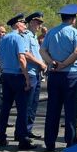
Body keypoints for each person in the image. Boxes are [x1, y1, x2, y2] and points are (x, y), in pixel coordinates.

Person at [40, 4, 77, 152]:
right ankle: (70, 142)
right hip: (70, 74)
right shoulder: (76, 33)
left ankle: (50, 142)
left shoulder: (51, 32)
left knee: (53, 109)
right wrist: (64, 64)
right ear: (73, 19)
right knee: (70, 110)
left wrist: (51, 62)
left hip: (54, 74)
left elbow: (42, 50)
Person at [0, 13, 38, 150]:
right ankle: (23, 140)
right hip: (18, 76)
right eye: (23, 23)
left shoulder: (4, 38)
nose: (25, 26)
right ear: (16, 24)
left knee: (5, 108)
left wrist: (3, 70)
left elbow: (0, 58)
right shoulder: (19, 38)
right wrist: (27, 77)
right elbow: (22, 59)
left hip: (6, 75)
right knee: (23, 109)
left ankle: (1, 136)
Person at [24, 11, 47, 139]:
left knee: (34, 104)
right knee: (28, 104)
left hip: (37, 74)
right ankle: (23, 131)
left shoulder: (33, 36)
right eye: (38, 22)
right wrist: (41, 64)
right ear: (32, 22)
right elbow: (26, 54)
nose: (39, 25)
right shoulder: (26, 35)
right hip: (31, 73)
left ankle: (28, 129)